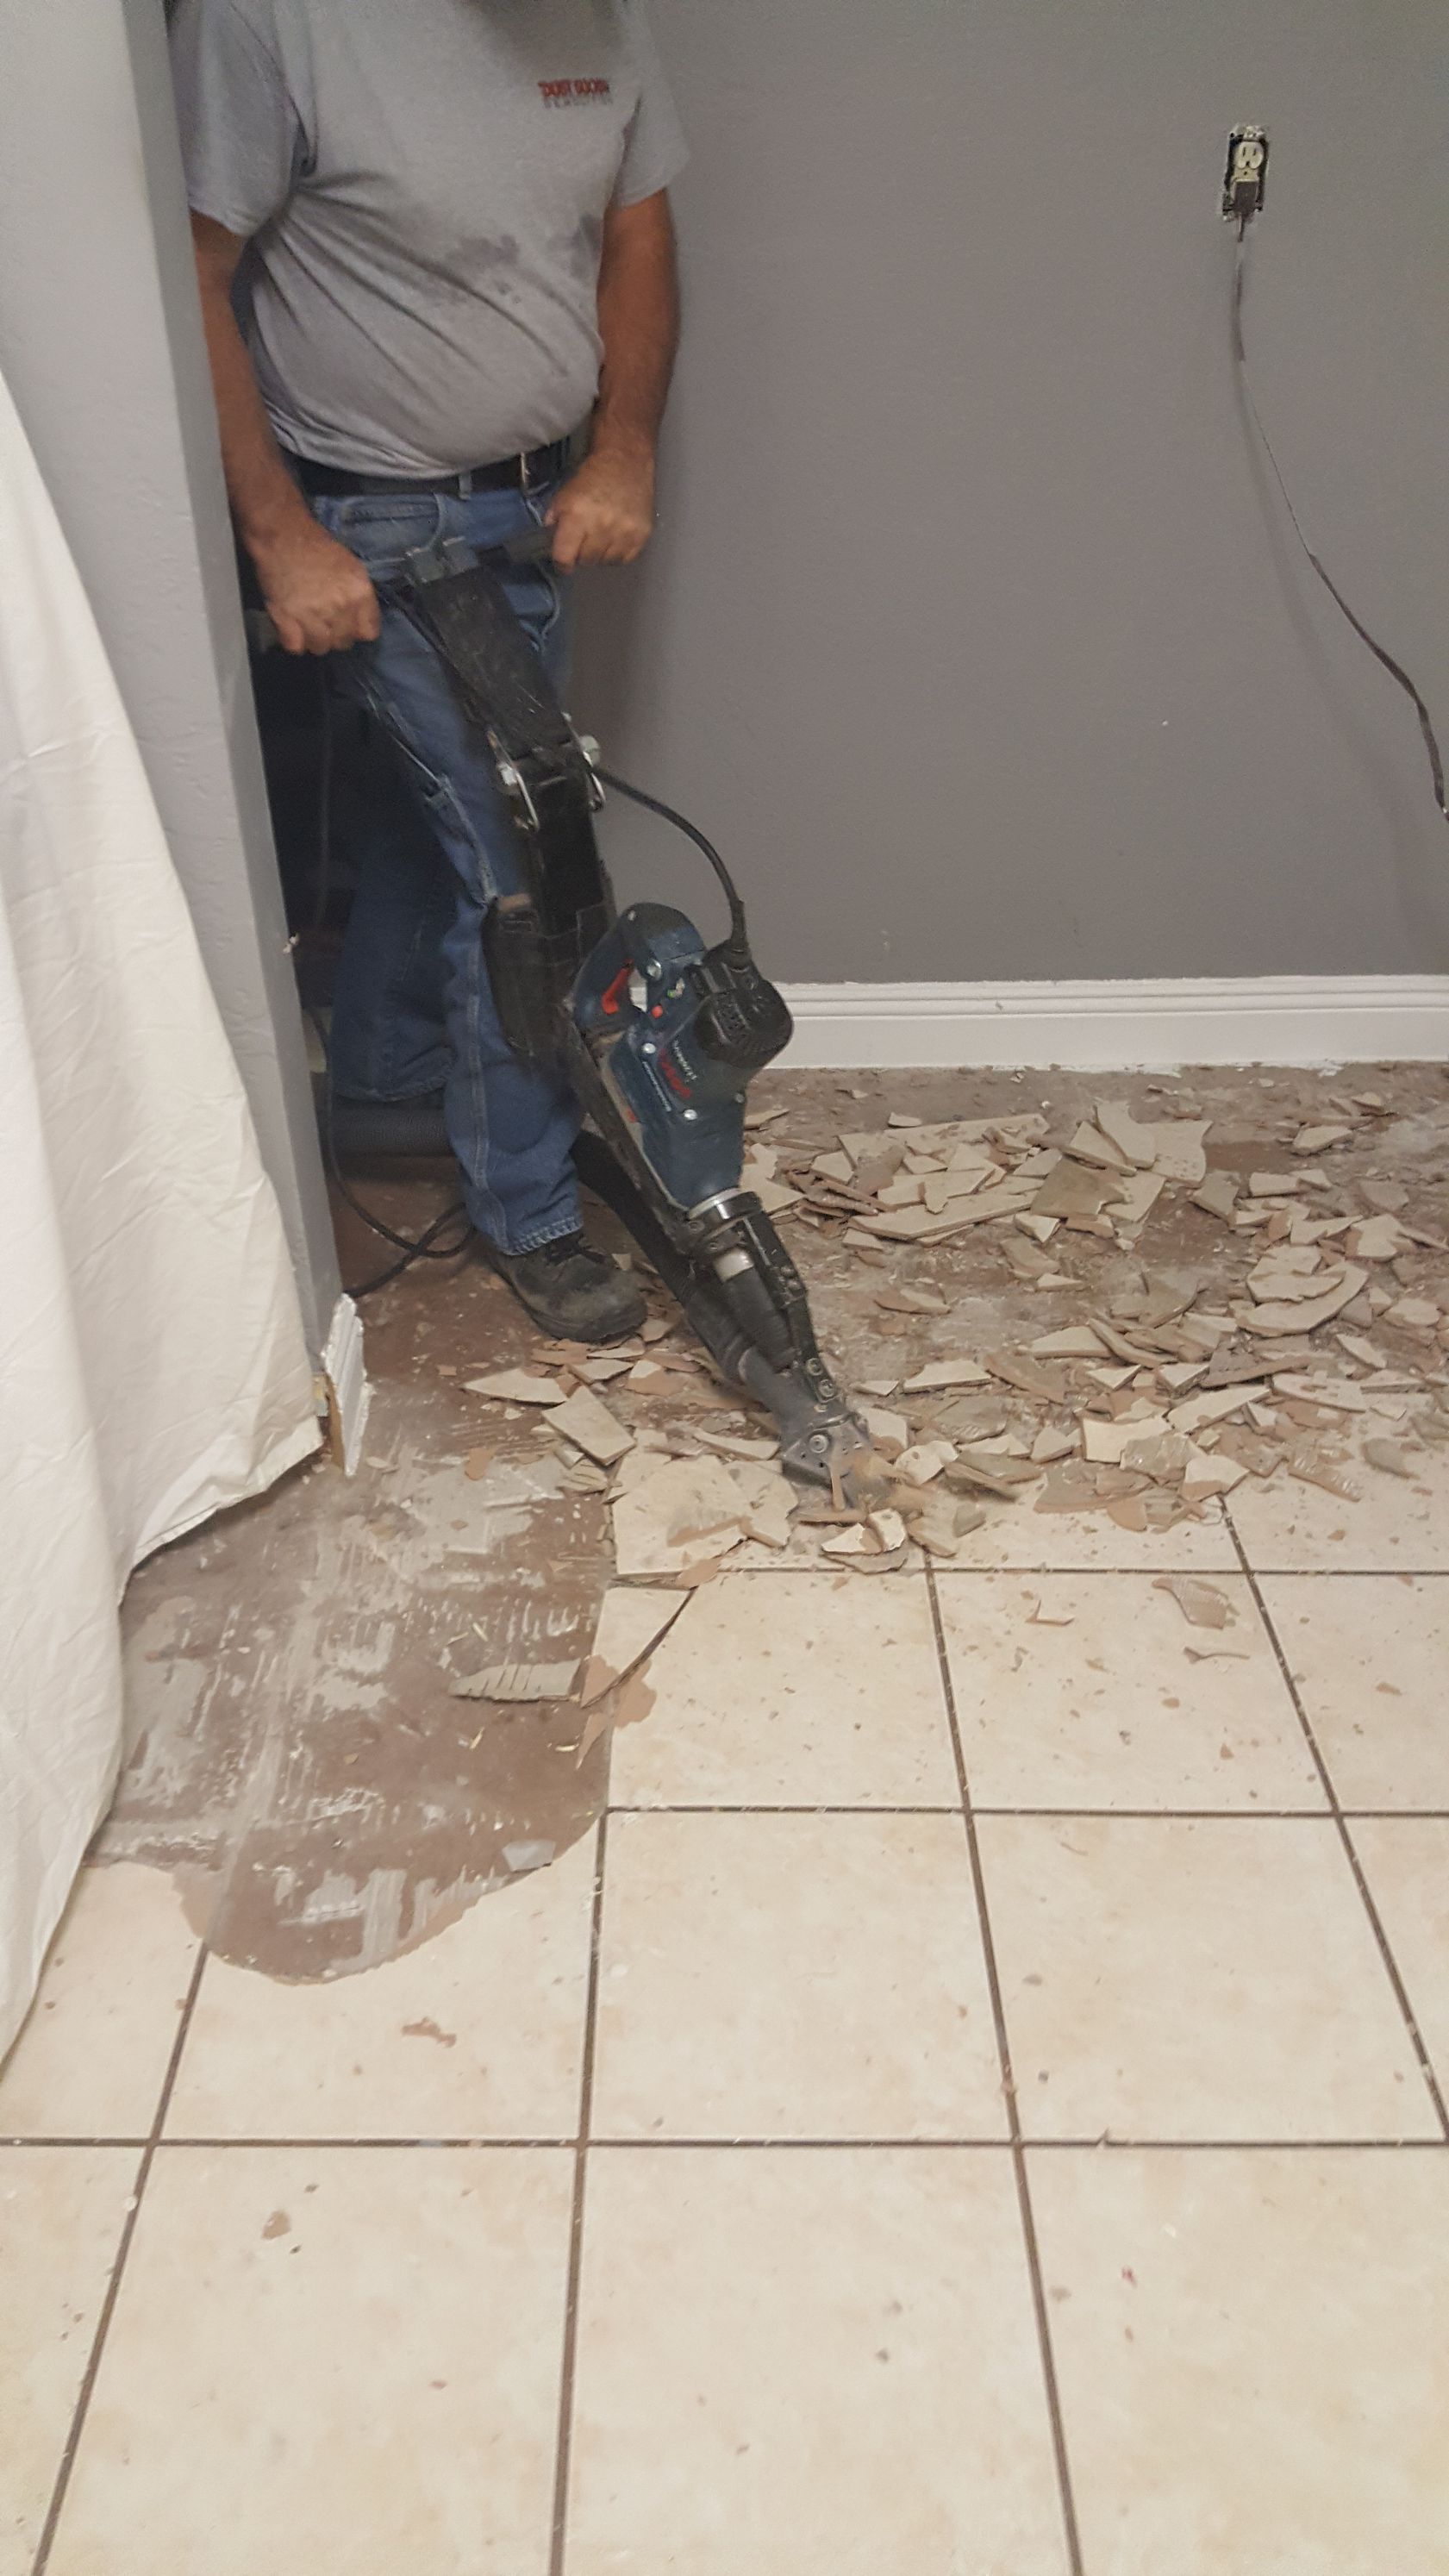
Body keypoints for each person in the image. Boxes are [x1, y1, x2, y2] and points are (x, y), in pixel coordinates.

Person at [170, 0, 687, 1340]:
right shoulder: (272, 20)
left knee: (438, 833)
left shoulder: (602, 14)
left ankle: (396, 1087)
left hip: (534, 509)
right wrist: (282, 536)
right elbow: (192, 267)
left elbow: (634, 230)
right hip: (376, 532)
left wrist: (622, 448)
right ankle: (528, 1206)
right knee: (524, 861)